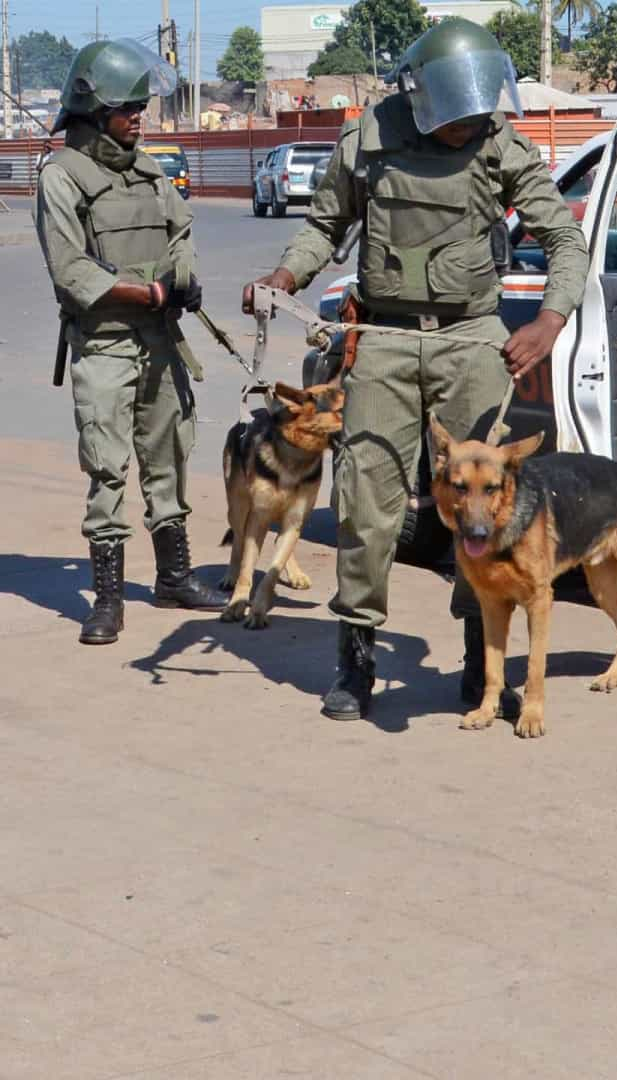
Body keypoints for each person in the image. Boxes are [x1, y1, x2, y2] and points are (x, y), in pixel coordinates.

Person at [245, 17, 588, 723]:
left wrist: (550, 320)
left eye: (479, 109)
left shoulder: (499, 140)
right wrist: (285, 274)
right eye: (457, 113)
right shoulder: (369, 137)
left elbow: (563, 235)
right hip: (387, 340)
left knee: (483, 510)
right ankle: (357, 661)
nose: (471, 123)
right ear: (425, 96)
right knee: (368, 506)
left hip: (472, 342)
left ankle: (478, 666)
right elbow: (324, 225)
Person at [36, 39, 227, 647]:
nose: (140, 116)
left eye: (142, 106)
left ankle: (173, 578)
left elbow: (181, 231)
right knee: (107, 467)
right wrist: (147, 294)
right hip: (107, 343)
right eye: (128, 108)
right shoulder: (61, 178)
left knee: (169, 455)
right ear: (94, 112)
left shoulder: (147, 170)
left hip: (161, 341)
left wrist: (183, 278)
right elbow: (72, 272)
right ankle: (110, 598)